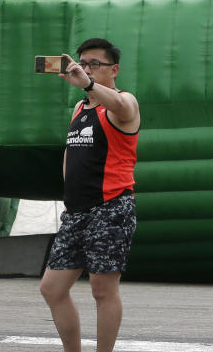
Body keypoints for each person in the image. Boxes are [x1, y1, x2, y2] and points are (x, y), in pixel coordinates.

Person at [39, 38, 140, 352]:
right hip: (77, 211)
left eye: (94, 64)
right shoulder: (80, 107)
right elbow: (71, 153)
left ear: (114, 69)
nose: (85, 69)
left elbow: (122, 107)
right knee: (52, 289)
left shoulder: (125, 102)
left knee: (102, 290)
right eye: (82, 63)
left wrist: (89, 83)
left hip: (111, 207)